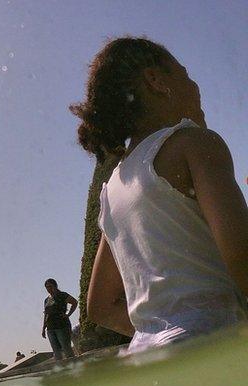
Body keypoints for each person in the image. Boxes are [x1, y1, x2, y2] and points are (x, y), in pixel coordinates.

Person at [72, 37, 248, 352]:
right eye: (186, 75)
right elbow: (242, 254)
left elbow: (100, 306)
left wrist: (159, 335)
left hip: (147, 358)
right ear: (156, 81)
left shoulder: (112, 190)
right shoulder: (195, 144)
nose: (196, 87)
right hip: (216, 345)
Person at [41, 278, 78, 360]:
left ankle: (74, 366)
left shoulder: (62, 295)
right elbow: (46, 314)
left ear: (55, 286)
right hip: (50, 328)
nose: (48, 289)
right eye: (46, 287)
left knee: (66, 348)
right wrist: (43, 328)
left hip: (62, 325)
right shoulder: (47, 300)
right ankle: (62, 368)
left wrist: (68, 314)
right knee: (56, 351)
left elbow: (74, 302)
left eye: (50, 286)